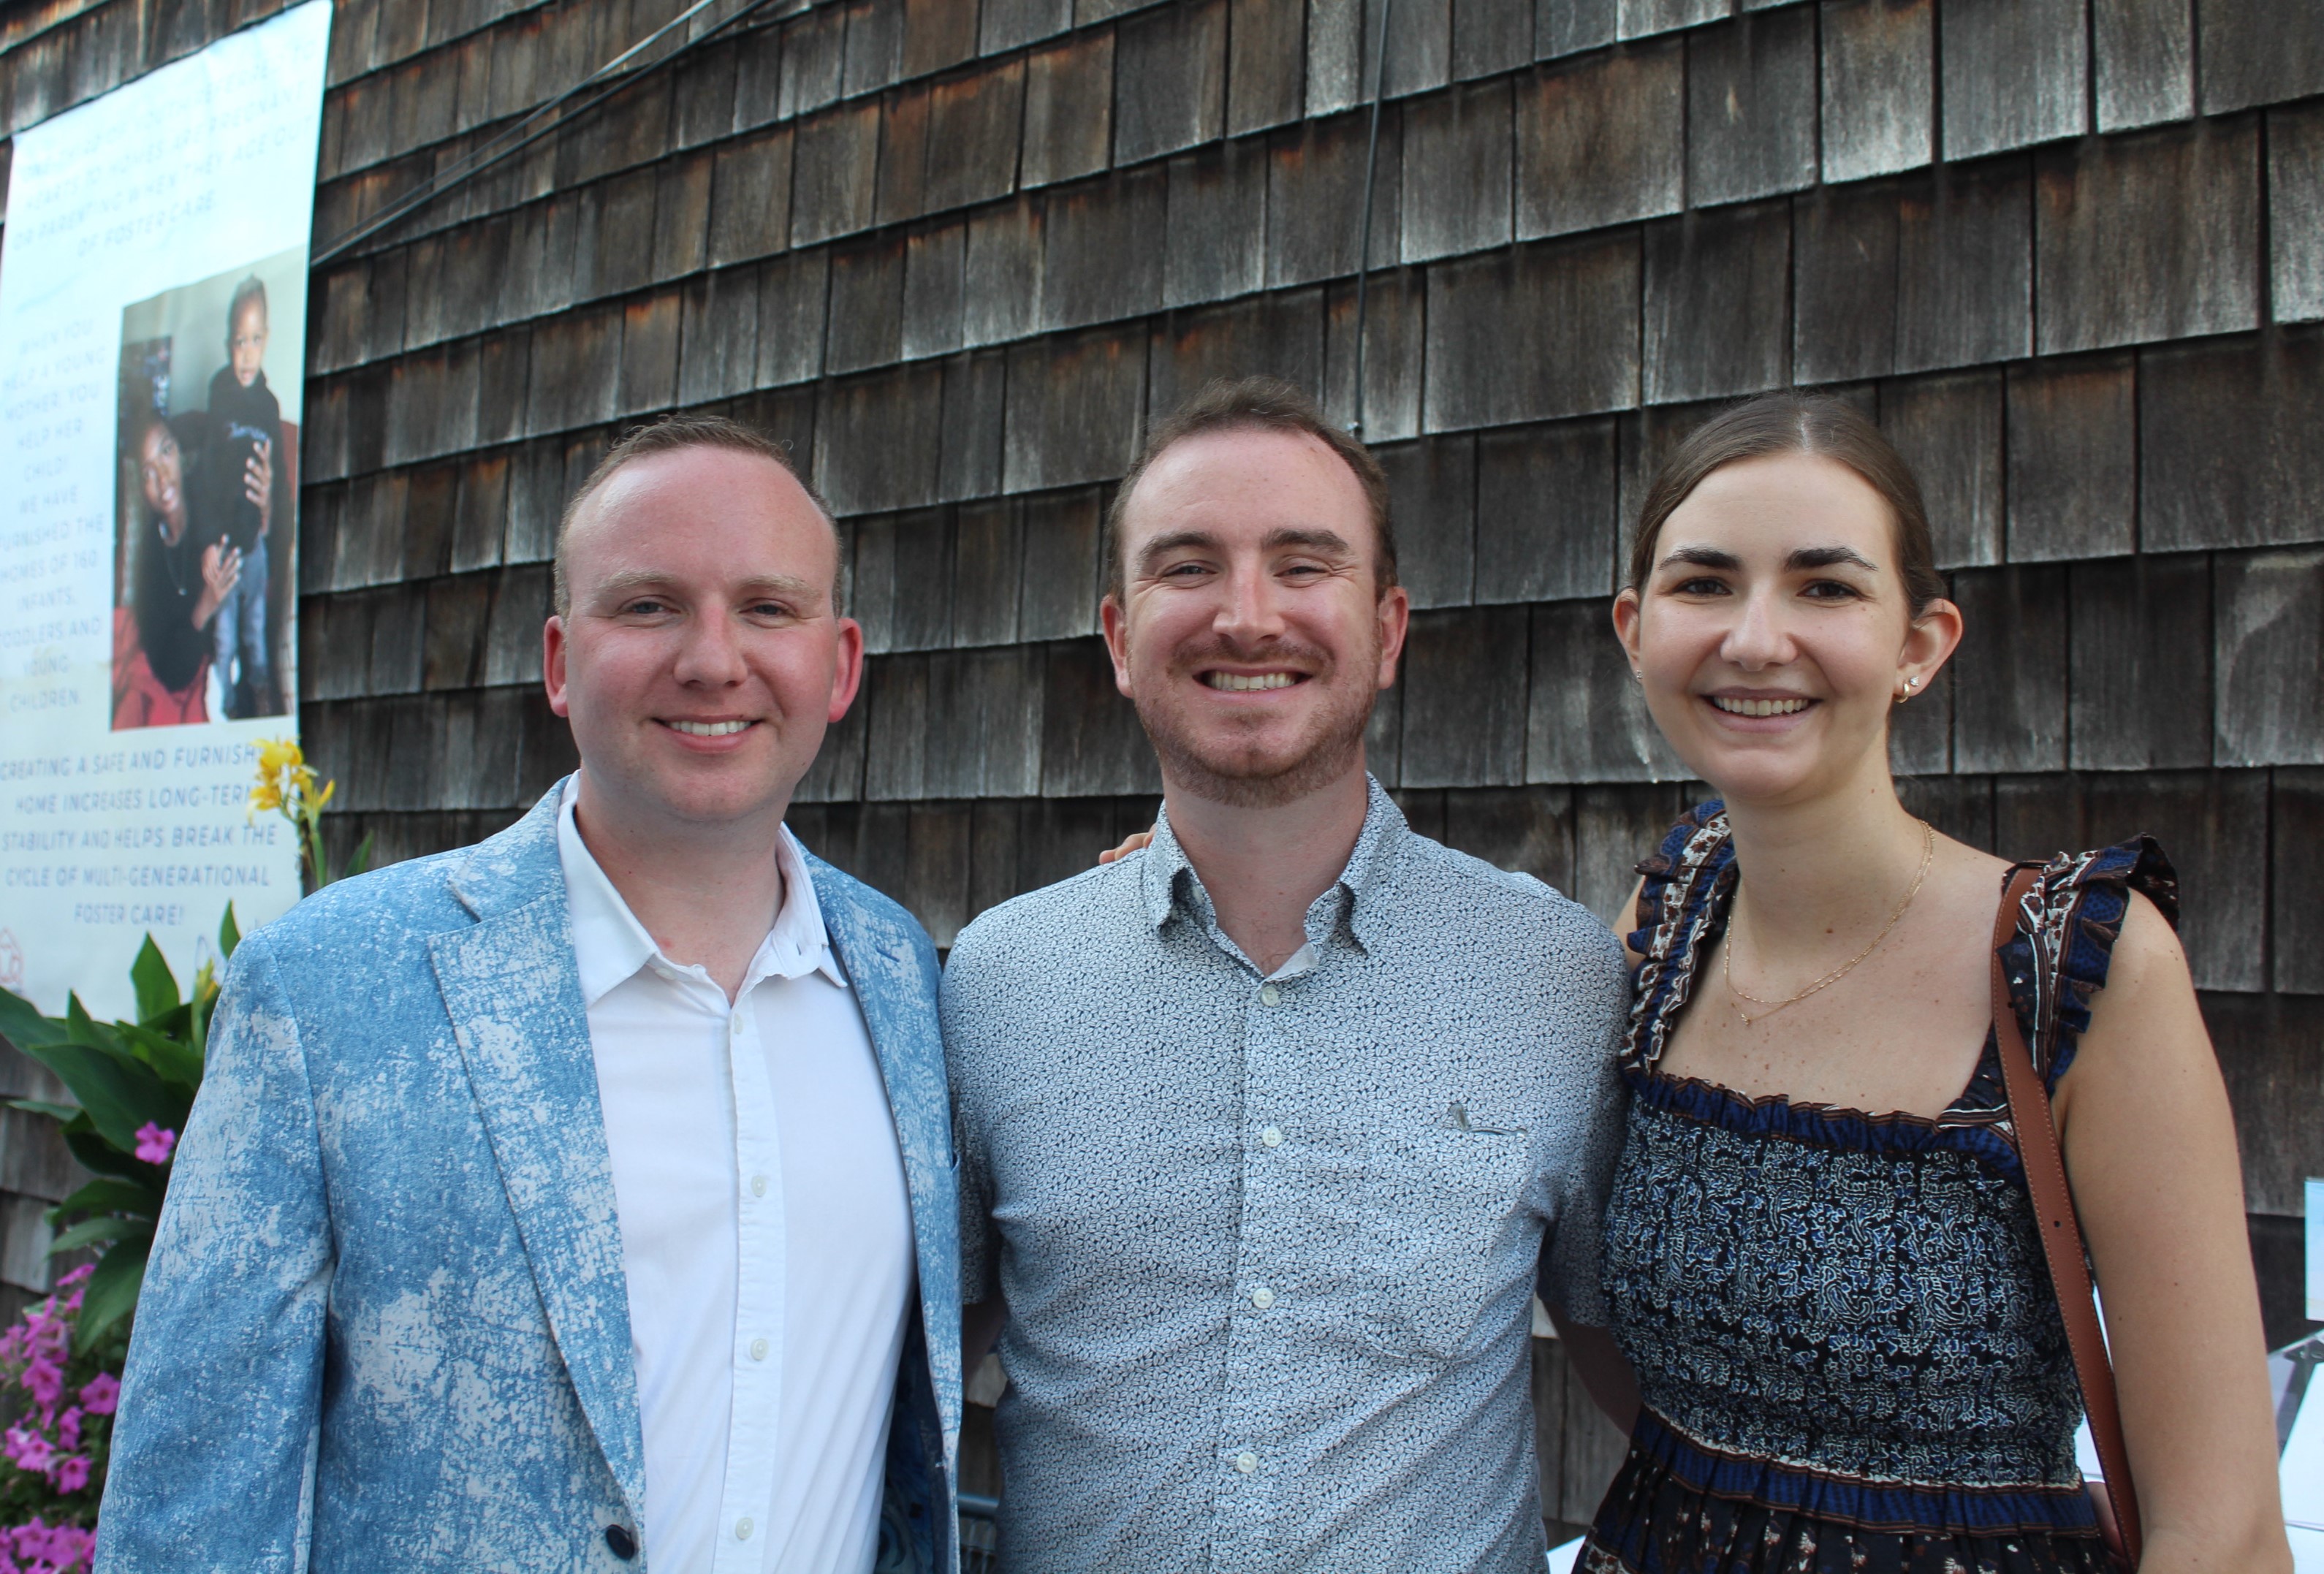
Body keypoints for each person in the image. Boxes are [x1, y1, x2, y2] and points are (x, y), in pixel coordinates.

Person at [96, 415, 962, 1573]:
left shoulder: (902, 976)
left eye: (767, 607)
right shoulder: (327, 991)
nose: (713, 659)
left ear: (840, 664)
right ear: (559, 661)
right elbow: (189, 1514)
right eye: (649, 604)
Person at [1575, 392, 2289, 1573]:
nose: (1755, 637)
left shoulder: (2075, 966)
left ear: (1921, 642)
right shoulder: (1663, 922)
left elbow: (2221, 1527)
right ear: (1635, 626)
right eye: (1705, 583)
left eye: (1826, 585)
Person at [941, 377, 1636, 1573]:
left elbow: (1655, 1386)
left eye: (1304, 563)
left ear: (1388, 628)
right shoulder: (997, 982)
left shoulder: (1556, 978)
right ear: (1119, 635)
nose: (1248, 615)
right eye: (1189, 566)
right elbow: (903, 1384)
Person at [197, 275, 284, 717]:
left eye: (254, 341)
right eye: (237, 342)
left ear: (265, 340)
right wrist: (210, 539)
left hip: (257, 545)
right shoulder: (221, 396)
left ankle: (260, 693)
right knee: (226, 636)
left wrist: (268, 510)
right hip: (227, 546)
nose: (245, 353)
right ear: (228, 342)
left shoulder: (268, 406)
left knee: (256, 633)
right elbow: (208, 476)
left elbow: (279, 486)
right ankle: (224, 704)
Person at [117, 415, 235, 727]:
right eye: (147, 472)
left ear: (181, 453)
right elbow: (168, 672)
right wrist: (204, 607)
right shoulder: (151, 561)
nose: (162, 476)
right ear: (142, 488)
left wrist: (265, 514)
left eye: (166, 452)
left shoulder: (210, 499)